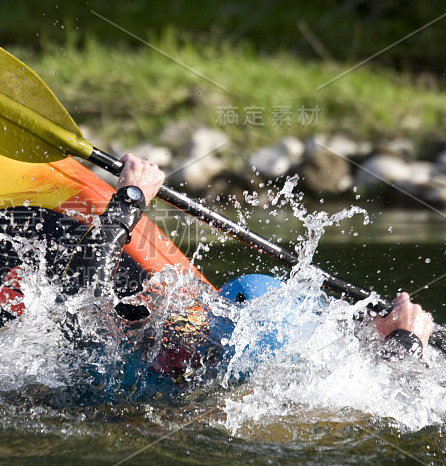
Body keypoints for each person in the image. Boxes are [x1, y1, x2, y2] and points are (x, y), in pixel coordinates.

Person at [60, 153, 434, 365]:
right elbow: (387, 387)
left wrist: (131, 199)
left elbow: (81, 300)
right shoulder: (281, 389)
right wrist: (403, 341)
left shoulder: (134, 363)